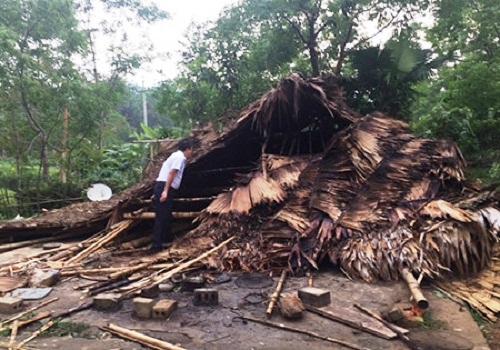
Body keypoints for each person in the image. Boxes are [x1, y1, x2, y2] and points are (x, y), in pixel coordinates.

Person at [150, 138, 194, 253]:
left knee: (166, 215)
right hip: (165, 186)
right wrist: (165, 190)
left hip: (162, 185)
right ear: (188, 149)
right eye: (191, 149)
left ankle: (165, 240)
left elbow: (163, 173)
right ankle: (156, 245)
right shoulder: (179, 158)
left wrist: (158, 191)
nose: (191, 152)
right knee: (161, 216)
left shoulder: (174, 156)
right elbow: (171, 173)